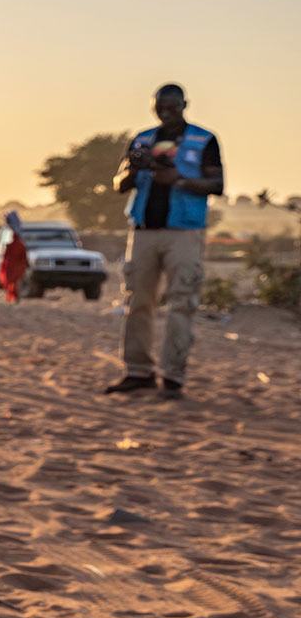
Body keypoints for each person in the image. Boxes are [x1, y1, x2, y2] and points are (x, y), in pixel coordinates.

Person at [105, 84, 224, 398]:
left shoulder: (203, 140)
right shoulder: (143, 138)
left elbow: (218, 183)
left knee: (181, 302)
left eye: (172, 106)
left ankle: (173, 376)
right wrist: (134, 167)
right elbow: (118, 183)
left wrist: (180, 180)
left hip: (184, 231)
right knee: (137, 302)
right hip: (143, 230)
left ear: (184, 104)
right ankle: (138, 371)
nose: (166, 112)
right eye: (160, 106)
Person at [0, 210, 29, 304]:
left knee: (15, 281)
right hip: (13, 263)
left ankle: (15, 298)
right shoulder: (15, 237)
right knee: (13, 281)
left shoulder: (17, 241)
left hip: (15, 263)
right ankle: (13, 298)